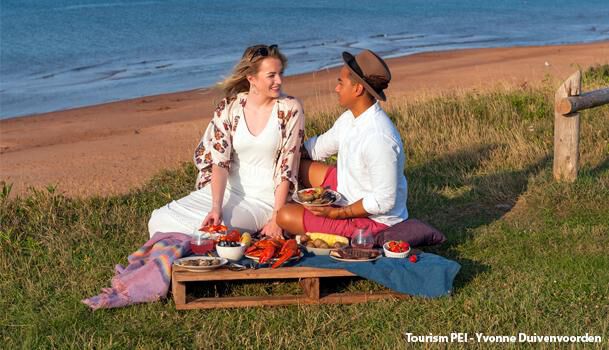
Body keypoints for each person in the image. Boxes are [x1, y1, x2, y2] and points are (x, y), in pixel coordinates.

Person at [148, 44, 305, 239]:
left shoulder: (290, 109)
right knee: (159, 218)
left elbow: (286, 170)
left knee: (207, 233)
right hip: (228, 192)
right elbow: (220, 163)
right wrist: (216, 208)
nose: (279, 81)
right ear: (252, 79)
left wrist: (277, 217)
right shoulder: (230, 108)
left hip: (262, 200)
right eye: (271, 75)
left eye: (281, 73)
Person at [276, 49, 408, 237]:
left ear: (358, 89)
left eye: (341, 82)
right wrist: (282, 155)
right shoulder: (351, 118)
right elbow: (316, 148)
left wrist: (337, 213)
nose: (336, 88)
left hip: (374, 221)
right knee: (297, 166)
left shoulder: (379, 138)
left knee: (285, 215)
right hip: (349, 190)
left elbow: (384, 201)